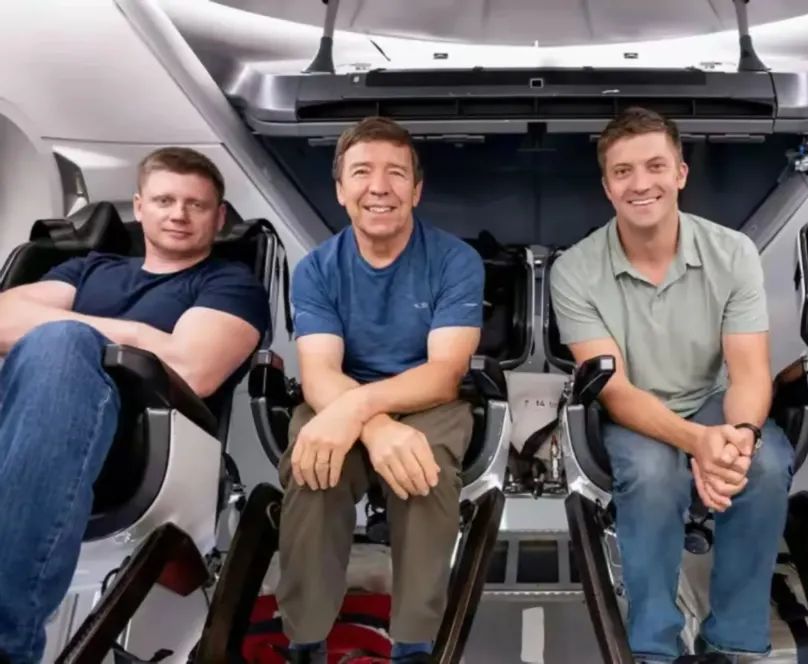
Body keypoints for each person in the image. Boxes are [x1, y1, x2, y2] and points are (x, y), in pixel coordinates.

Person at [0, 147, 270, 663]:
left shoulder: (229, 285)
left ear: (218, 218)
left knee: (60, 343)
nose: (178, 214)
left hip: (139, 448)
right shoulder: (87, 268)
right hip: (20, 420)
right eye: (165, 200)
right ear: (140, 206)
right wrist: (138, 335)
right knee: (60, 343)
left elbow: (192, 369)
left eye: (195, 204)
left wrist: (72, 335)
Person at [549, 107, 793, 663]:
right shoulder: (574, 271)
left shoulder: (733, 252)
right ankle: (653, 648)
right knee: (653, 474)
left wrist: (741, 437)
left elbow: (749, 372)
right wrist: (698, 443)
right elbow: (615, 390)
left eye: (655, 166)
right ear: (607, 186)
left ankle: (733, 642)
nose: (641, 183)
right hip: (632, 411)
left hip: (710, 402)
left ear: (681, 173)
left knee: (765, 464)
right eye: (623, 171)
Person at [276, 117, 484, 664]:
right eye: (362, 172)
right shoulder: (316, 269)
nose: (379, 187)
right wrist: (373, 427)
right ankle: (305, 641)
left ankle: (414, 644)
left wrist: (368, 415)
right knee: (314, 469)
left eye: (396, 173)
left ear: (416, 190)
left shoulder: (455, 261)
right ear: (340, 189)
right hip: (339, 394)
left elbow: (443, 374)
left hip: (426, 400)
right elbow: (319, 372)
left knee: (422, 471)